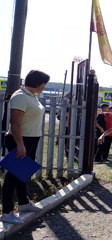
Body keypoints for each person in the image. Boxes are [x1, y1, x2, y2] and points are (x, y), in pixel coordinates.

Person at [1, 70, 50, 224]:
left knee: (22, 174)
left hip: (31, 139)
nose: (44, 86)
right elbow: (15, 123)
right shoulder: (20, 96)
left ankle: (23, 203)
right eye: (44, 83)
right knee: (13, 176)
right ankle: (7, 212)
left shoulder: (32, 96)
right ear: (37, 83)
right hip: (20, 140)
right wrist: (20, 145)